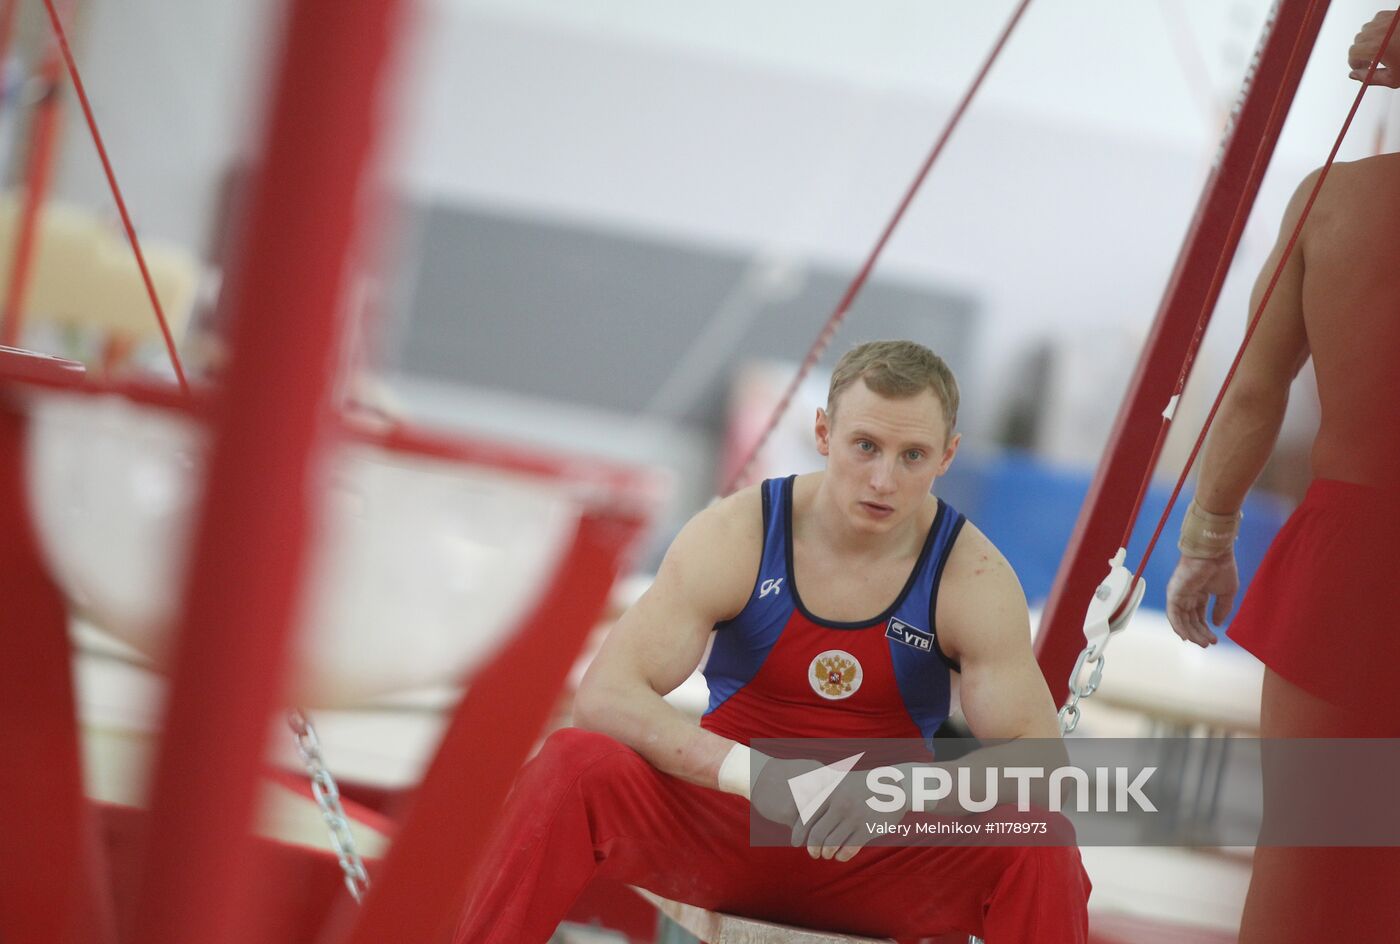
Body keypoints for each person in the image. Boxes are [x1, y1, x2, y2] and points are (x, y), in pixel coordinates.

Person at [453, 340, 1090, 943]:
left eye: (912, 456)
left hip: (871, 852)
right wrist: (756, 775)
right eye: (864, 446)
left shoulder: (971, 577)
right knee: (572, 763)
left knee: (1042, 843)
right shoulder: (738, 534)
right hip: (726, 825)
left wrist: (899, 793)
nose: (882, 480)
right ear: (822, 434)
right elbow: (606, 696)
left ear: (948, 456)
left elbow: (1043, 766)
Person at [1165, 14, 1400, 940]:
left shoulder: (1334, 203)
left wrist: (1205, 541)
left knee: (1307, 853)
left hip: (1349, 557)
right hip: (1347, 555)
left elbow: (1255, 387)